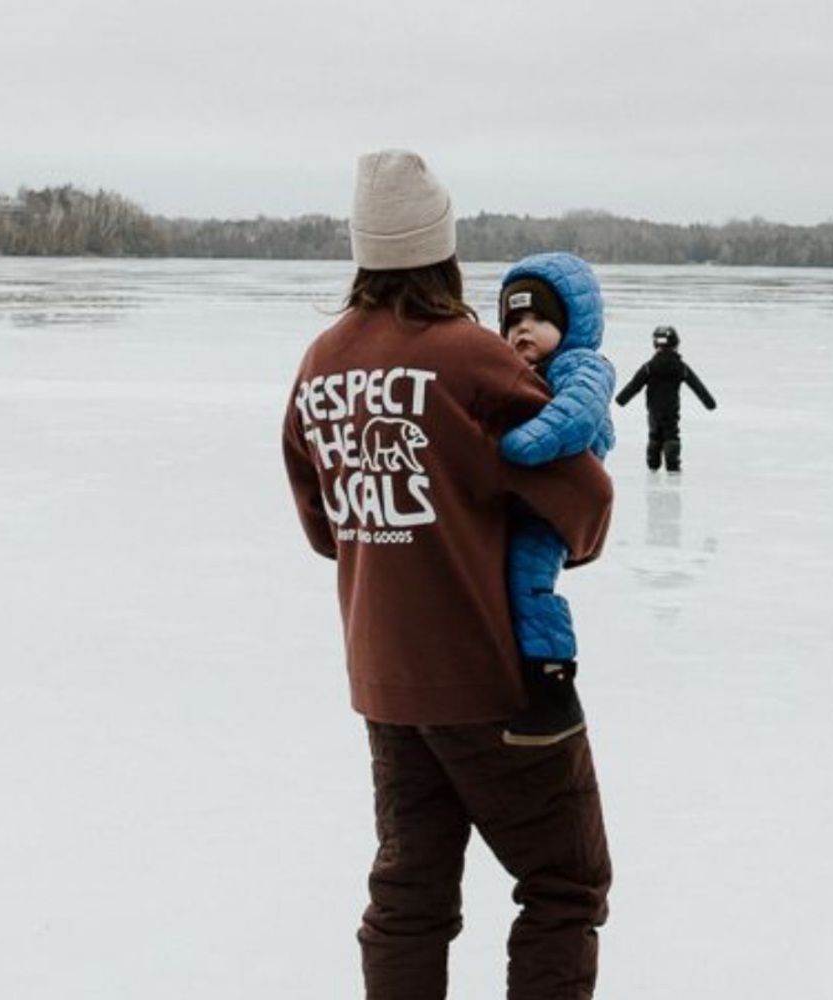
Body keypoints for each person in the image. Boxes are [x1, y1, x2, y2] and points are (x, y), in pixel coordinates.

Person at [282, 150, 614, 1000]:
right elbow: (585, 504)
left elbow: (327, 529)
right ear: (443, 249)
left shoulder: (320, 365)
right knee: (564, 886)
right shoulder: (469, 358)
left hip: (388, 686)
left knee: (409, 897)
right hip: (496, 682)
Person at [496, 252, 615, 745]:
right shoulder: (517, 370)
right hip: (528, 497)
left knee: (529, 580)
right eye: (513, 320)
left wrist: (521, 445)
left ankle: (552, 682)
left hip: (554, 506)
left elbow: (577, 414)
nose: (524, 330)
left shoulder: (581, 364)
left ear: (572, 322)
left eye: (539, 318)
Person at [614, 324, 716, 471]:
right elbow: (697, 386)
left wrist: (620, 400)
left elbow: (633, 386)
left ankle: (653, 463)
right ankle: (672, 463)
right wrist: (709, 403)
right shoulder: (680, 367)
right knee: (671, 434)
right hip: (671, 408)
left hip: (654, 409)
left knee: (654, 434)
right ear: (675, 343)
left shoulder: (649, 367)